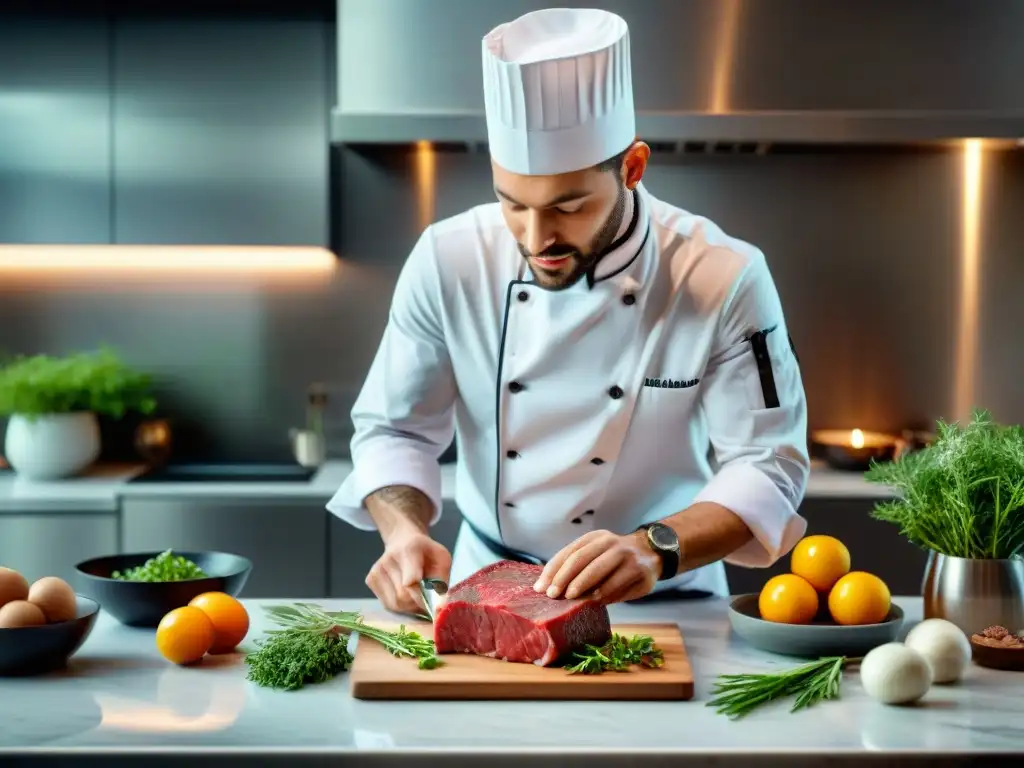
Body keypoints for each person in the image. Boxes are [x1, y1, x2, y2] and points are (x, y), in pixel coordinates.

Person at [327, 7, 810, 615]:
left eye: (570, 207)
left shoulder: (722, 275)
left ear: (632, 168)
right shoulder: (448, 258)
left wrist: (653, 548)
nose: (536, 239)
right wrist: (404, 533)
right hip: (489, 591)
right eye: (512, 204)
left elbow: (769, 464)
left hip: (668, 598)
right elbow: (394, 429)